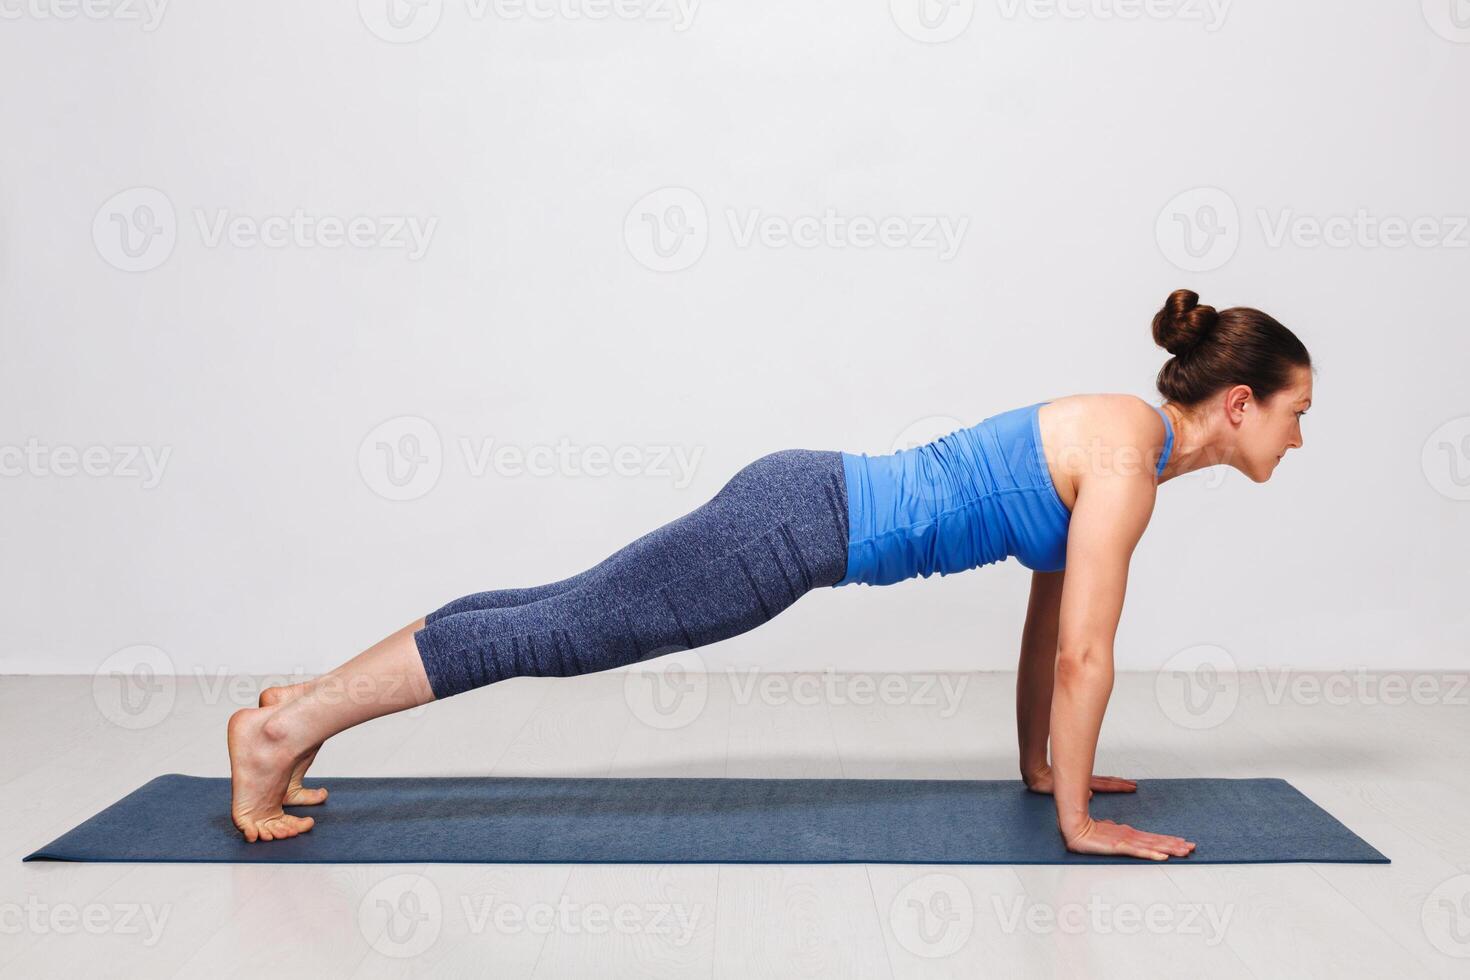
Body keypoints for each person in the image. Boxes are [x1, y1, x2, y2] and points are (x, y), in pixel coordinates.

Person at [227, 288, 1314, 860]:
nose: (1297, 440)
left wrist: (1042, 772)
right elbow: (1085, 651)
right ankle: (278, 731)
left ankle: (305, 708)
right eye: (1295, 413)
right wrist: (1079, 824)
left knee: (547, 611)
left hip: (798, 503)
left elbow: (1046, 625)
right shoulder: (1127, 457)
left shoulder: (1129, 445)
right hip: (790, 532)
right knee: (553, 633)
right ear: (1238, 401)